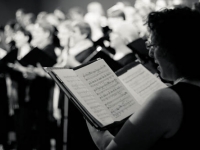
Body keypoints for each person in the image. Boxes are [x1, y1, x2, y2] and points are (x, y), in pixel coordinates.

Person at [86, 6, 200, 150]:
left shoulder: (166, 100)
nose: (151, 54)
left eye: (153, 45)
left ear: (171, 48)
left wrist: (91, 115)